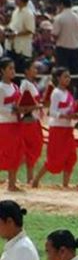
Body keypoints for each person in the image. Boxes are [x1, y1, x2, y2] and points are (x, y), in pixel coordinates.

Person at [32, 68, 78, 189]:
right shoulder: (56, 93)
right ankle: (36, 180)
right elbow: (52, 111)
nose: (68, 79)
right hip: (57, 129)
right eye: (65, 76)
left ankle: (66, 184)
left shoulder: (68, 93)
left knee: (71, 156)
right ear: (58, 78)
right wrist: (63, 115)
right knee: (54, 158)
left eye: (69, 76)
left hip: (68, 128)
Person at [17, 59, 44, 185]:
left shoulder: (32, 84)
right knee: (30, 148)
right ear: (27, 71)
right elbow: (23, 104)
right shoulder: (25, 85)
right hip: (28, 121)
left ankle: (29, 177)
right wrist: (36, 106)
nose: (36, 70)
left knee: (35, 148)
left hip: (35, 119)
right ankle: (18, 173)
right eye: (33, 68)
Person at [0, 58, 21, 192]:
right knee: (4, 153)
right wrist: (13, 111)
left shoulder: (15, 86)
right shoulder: (1, 87)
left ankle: (12, 183)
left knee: (15, 153)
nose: (13, 71)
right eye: (10, 68)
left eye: (14, 68)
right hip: (4, 124)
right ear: (2, 71)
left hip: (16, 123)